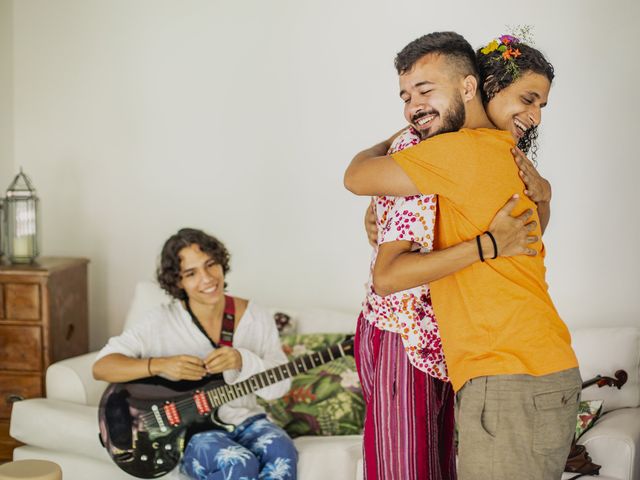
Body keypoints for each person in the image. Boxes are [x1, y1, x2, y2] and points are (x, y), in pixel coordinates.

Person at [345, 32, 580, 480]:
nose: (533, 116)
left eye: (539, 104)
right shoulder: (506, 157)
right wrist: (543, 200)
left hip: (508, 372)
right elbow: (529, 242)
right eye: (527, 99)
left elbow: (356, 176)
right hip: (541, 366)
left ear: (472, 87)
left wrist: (403, 136)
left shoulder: (457, 151)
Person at [93, 228, 297, 480]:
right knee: (237, 463)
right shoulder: (160, 322)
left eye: (210, 264)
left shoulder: (256, 316)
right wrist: (159, 365)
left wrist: (243, 360)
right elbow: (102, 367)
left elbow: (279, 388)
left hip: (247, 420)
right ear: (178, 281)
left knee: (282, 452)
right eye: (191, 273)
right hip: (191, 432)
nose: (207, 278)